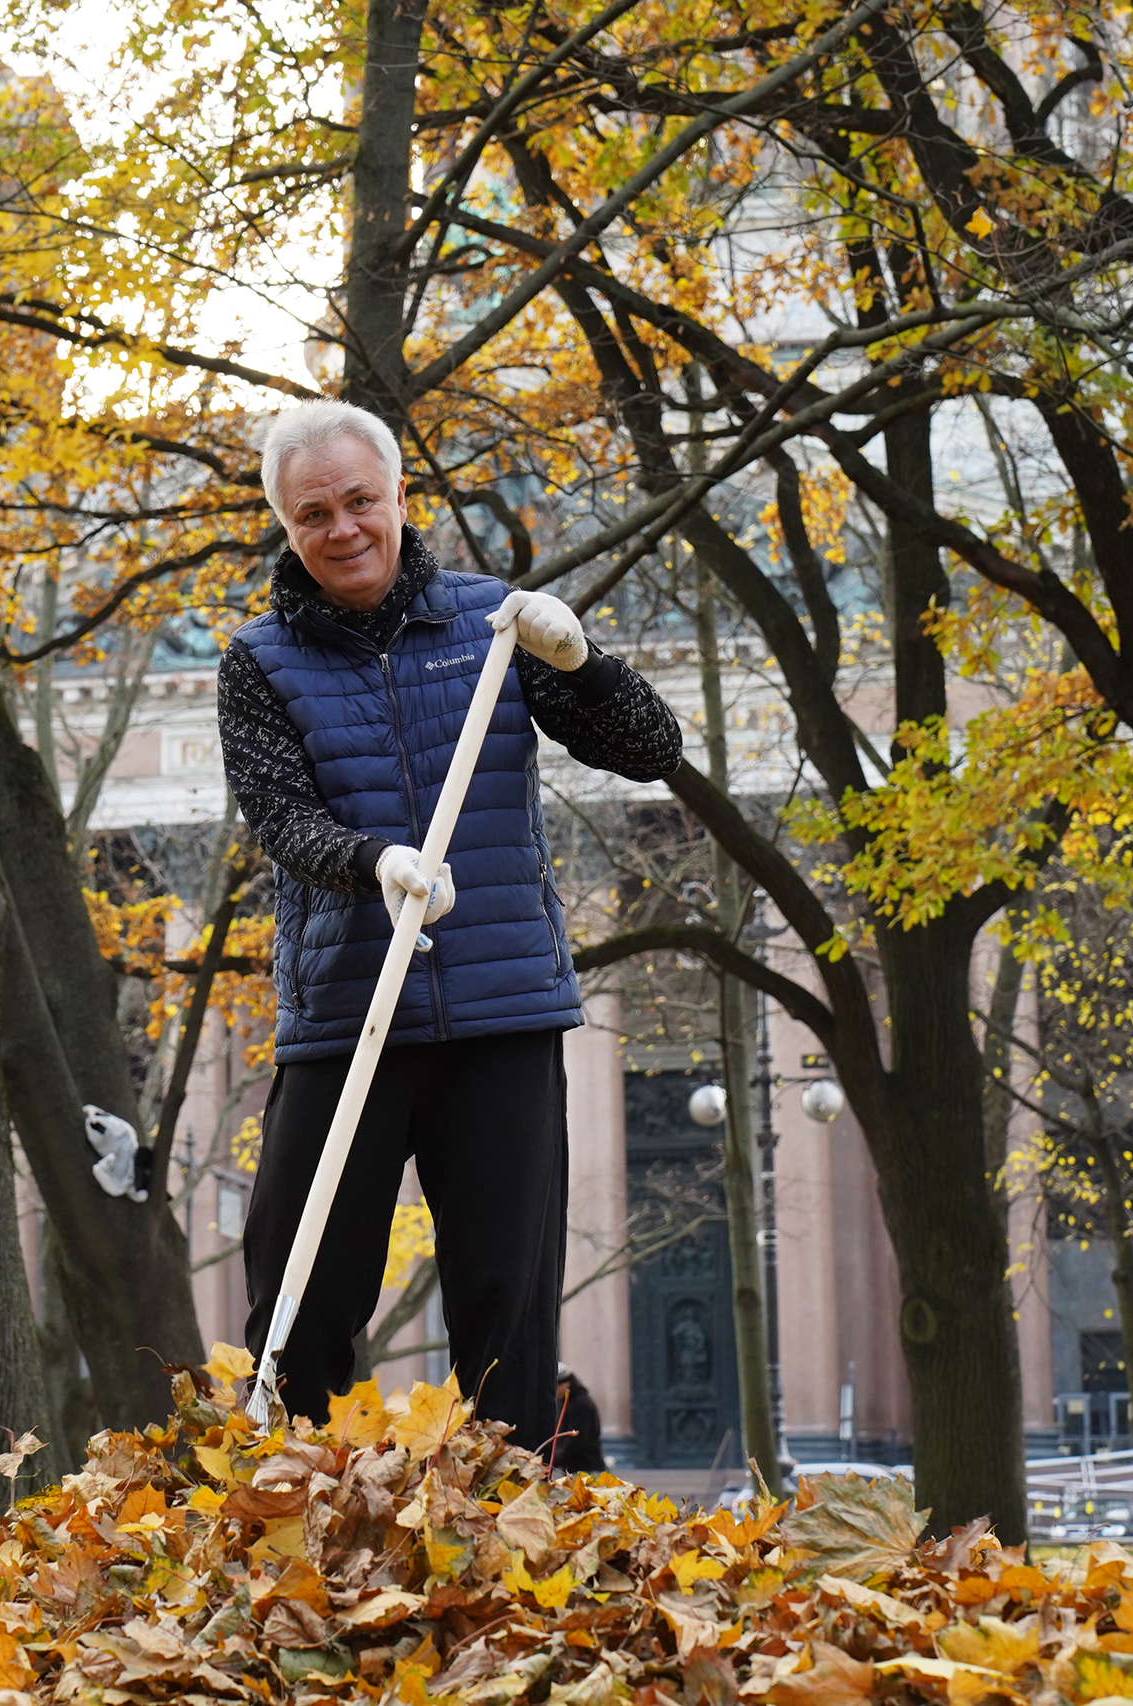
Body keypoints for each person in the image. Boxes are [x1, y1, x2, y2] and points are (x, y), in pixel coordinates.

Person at [221, 400, 682, 1450]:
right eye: (312, 514)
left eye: (359, 502)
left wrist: (581, 662)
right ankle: (288, 1524)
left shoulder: (493, 628)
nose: (342, 529)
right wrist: (369, 860)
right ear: (286, 527)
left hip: (499, 1009)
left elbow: (654, 747)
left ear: (395, 498)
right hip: (347, 1016)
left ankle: (512, 1544)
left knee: (505, 1311)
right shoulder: (257, 660)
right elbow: (279, 815)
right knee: (300, 1300)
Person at [553, 1366, 607, 1473]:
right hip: (574, 1467)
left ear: (566, 1384)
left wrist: (555, 1460)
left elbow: (576, 1439)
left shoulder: (580, 1405)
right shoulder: (567, 1403)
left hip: (585, 1468)